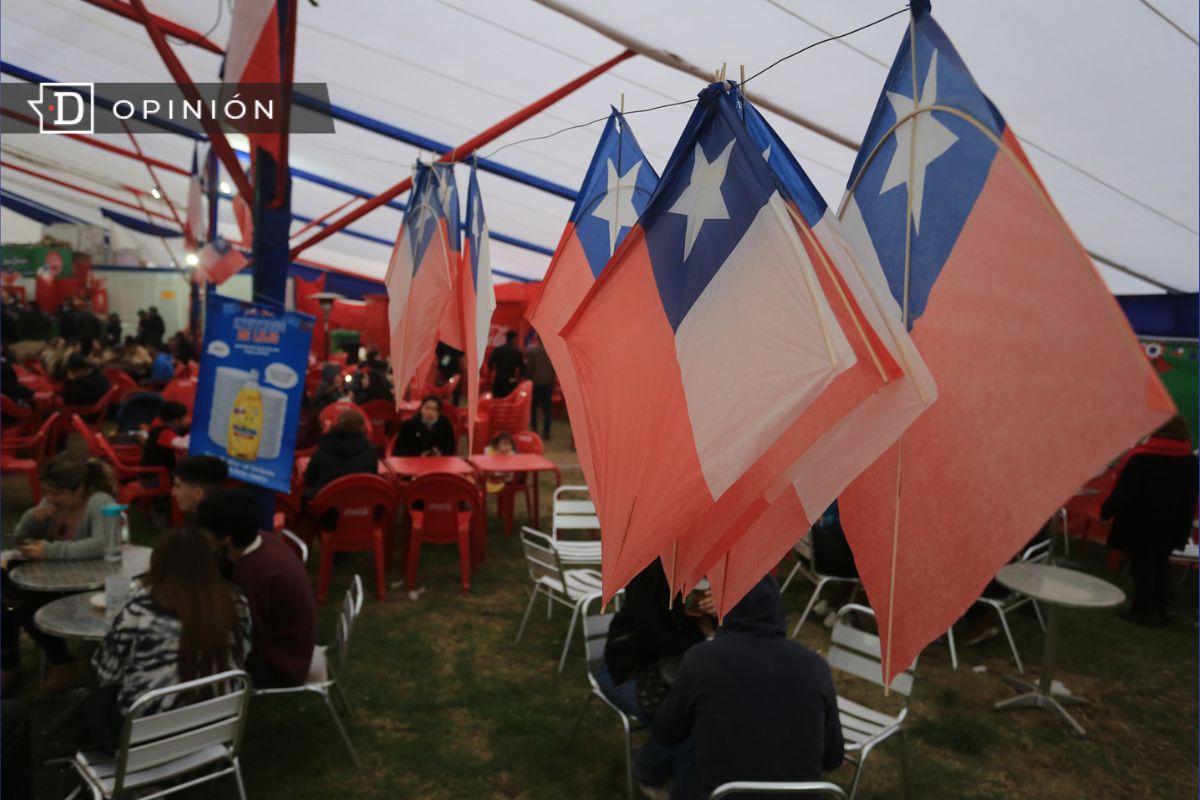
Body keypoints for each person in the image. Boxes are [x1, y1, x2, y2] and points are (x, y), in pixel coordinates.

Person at [653, 575, 844, 800]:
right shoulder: (815, 666)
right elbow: (833, 758)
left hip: (722, 795)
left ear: (727, 611)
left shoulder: (701, 660)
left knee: (688, 774)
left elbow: (666, 733)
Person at [83, 528, 252, 751]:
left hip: (147, 735)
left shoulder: (142, 607)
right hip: (217, 724)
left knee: (92, 704)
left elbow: (106, 672)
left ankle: (129, 774)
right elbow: (245, 652)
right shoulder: (236, 601)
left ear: (158, 562)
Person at [3, 457, 120, 694]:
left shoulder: (100, 503)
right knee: (5, 594)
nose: (51, 498)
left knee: (18, 600)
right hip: (51, 578)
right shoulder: (52, 504)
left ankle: (62, 663)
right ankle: (8, 663)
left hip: (88, 583)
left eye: (57, 493)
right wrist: (31, 520)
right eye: (47, 492)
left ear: (80, 488)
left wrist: (50, 551)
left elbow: (102, 544)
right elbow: (21, 537)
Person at [597, 560, 708, 795]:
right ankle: (649, 770)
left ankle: (678, 776)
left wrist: (719, 613)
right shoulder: (646, 573)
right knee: (689, 722)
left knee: (715, 712)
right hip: (630, 669)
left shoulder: (704, 571)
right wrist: (702, 633)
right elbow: (654, 640)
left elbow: (733, 634)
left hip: (677, 669)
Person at [197, 489, 317, 689]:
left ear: (225, 538)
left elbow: (247, 637)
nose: (201, 535)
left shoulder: (254, 574)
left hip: (279, 667)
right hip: (294, 649)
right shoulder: (262, 539)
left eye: (205, 531)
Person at [1102, 415, 1199, 624]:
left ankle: (1141, 610)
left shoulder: (1142, 457)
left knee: (1142, 566)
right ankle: (1166, 607)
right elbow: (1190, 496)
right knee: (1161, 563)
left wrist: (1107, 511)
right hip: (1171, 524)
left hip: (1140, 522)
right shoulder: (1189, 461)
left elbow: (1124, 491)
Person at [304, 411, 378, 496]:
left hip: (326, 502)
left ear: (337, 425)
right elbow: (373, 477)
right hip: (361, 502)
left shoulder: (323, 447)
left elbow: (309, 480)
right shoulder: (370, 450)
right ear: (362, 428)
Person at [139, 401, 189, 475]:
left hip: (153, 473)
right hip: (155, 478)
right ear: (176, 420)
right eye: (186, 417)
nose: (188, 420)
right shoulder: (164, 432)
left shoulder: (160, 427)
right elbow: (183, 445)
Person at [525, 333, 556, 439]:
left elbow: (529, 368)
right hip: (548, 383)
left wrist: (528, 379)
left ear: (537, 339)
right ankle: (546, 432)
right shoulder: (553, 351)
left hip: (535, 383)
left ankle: (534, 430)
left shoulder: (532, 351)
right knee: (547, 409)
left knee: (533, 407)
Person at [487, 330, 525, 398]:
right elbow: (522, 368)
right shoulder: (517, 352)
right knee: (510, 400)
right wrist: (519, 377)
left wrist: (491, 372)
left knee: (497, 400)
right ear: (514, 339)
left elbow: (490, 363)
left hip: (499, 379)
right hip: (511, 380)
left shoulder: (498, 350)